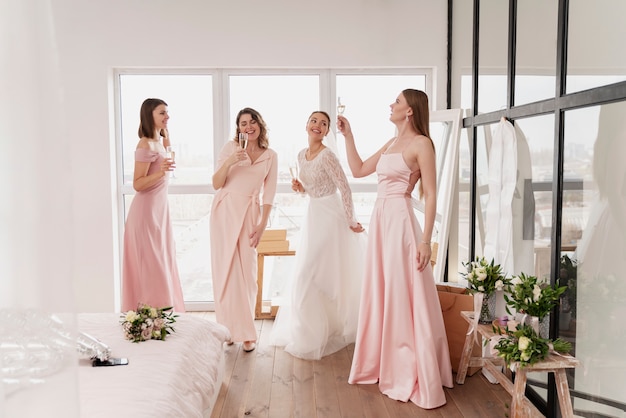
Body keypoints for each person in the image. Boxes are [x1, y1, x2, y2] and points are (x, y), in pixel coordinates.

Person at [338, 89, 453, 409]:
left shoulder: (422, 144)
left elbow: (430, 194)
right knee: (381, 291)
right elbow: (360, 169)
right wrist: (349, 136)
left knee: (404, 293)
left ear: (411, 111)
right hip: (381, 221)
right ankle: (381, 361)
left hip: (402, 224)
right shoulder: (391, 143)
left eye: (397, 102)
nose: (391, 105)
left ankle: (408, 366)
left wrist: (425, 240)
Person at [270, 111, 367, 360]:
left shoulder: (328, 155)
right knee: (314, 273)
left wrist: (350, 220)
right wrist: (301, 188)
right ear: (306, 126)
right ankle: (316, 330)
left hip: (331, 217)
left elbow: (344, 188)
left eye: (324, 124)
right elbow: (311, 188)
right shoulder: (302, 155)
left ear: (326, 132)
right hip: (314, 215)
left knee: (307, 273)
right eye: (314, 121)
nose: (318, 125)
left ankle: (311, 335)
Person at [210, 107, 278, 353]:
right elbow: (216, 183)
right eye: (243, 124)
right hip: (225, 209)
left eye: (252, 122)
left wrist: (262, 224)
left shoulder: (270, 155)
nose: (248, 127)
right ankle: (228, 329)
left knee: (248, 274)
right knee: (226, 271)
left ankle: (247, 332)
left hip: (250, 211)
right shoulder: (230, 148)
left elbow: (269, 193)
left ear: (260, 125)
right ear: (238, 128)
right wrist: (230, 161)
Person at [122, 98, 185, 313]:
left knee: (162, 261)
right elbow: (138, 184)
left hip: (160, 212)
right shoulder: (145, 143)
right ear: (150, 115)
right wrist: (160, 172)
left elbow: (168, 152)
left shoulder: (159, 141)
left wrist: (166, 135)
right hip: (146, 213)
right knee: (151, 266)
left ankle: (162, 315)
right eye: (162, 113)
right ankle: (149, 316)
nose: (168, 117)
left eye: (168, 112)